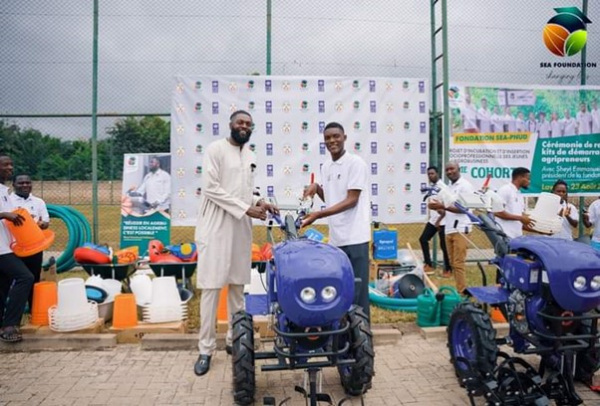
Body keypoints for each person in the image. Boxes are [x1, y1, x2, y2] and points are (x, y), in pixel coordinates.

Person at [193, 110, 278, 376]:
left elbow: (246, 190)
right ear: (230, 125)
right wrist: (246, 207)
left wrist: (259, 202)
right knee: (210, 288)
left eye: (248, 124)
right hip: (215, 225)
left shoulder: (250, 155)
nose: (244, 126)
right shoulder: (215, 150)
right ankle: (206, 350)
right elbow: (211, 188)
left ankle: (235, 340)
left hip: (241, 226)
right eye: (240, 122)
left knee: (237, 287)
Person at [301, 122, 371, 321]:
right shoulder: (326, 166)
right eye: (328, 138)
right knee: (339, 290)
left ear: (344, 137)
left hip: (355, 237)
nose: (332, 141)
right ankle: (341, 337)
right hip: (336, 239)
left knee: (358, 292)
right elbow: (332, 199)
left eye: (336, 136)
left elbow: (351, 200)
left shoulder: (356, 163)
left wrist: (317, 215)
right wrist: (316, 187)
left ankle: (362, 341)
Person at [0, 155, 34, 343]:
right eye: (5, 165)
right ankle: (10, 324)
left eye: (11, 164)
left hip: (7, 246)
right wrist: (4, 214)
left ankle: (2, 324)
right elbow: (8, 215)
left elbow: (17, 217)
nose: (10, 168)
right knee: (25, 277)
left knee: (3, 286)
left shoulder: (4, 191)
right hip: (1, 250)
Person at [428, 162, 474, 295]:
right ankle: (461, 289)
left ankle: (462, 292)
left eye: (452, 169)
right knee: (453, 263)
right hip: (449, 228)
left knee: (458, 262)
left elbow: (463, 209)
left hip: (461, 228)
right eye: (447, 170)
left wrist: (442, 206)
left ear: (459, 169)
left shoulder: (465, 186)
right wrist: (436, 207)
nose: (449, 172)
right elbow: (444, 206)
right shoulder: (449, 187)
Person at [9, 174, 50, 310]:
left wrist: (41, 224)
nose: (25, 185)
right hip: (14, 248)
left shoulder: (38, 202)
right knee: (15, 279)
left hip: (34, 247)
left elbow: (46, 222)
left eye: (28, 182)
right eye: (21, 183)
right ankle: (13, 308)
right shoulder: (8, 201)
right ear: (13, 185)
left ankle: (34, 308)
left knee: (33, 277)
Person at [419, 166, 451, 278]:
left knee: (444, 246)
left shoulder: (443, 188)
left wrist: (439, 220)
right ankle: (429, 264)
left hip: (443, 221)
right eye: (428, 174)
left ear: (438, 173)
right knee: (423, 239)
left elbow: (446, 207)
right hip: (433, 220)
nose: (430, 176)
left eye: (432, 173)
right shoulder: (432, 187)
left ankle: (448, 269)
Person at [493, 167, 534, 239]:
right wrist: (521, 218)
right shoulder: (505, 189)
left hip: (516, 237)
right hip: (504, 235)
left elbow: (519, 220)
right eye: (528, 179)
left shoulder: (519, 194)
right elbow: (497, 212)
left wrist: (541, 231)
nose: (529, 181)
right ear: (520, 177)